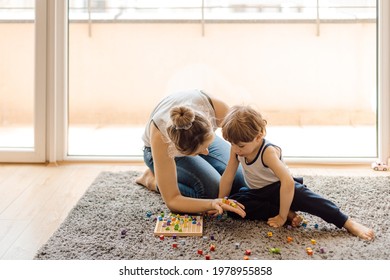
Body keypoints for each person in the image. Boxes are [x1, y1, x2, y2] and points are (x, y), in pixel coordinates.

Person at [219, 105, 375, 240]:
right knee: (235, 205)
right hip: (258, 192)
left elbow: (287, 182)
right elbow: (228, 175)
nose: (236, 149)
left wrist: (280, 218)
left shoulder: (267, 152)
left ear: (258, 137)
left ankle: (347, 222)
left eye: (240, 145)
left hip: (282, 188)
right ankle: (287, 213)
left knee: (312, 200)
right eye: (232, 144)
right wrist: (221, 201)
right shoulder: (236, 150)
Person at [135, 89, 247, 218]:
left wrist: (234, 164)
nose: (206, 153)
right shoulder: (162, 138)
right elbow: (172, 201)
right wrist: (212, 203)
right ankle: (153, 180)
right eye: (199, 152)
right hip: (158, 152)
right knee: (212, 192)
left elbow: (245, 138)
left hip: (199, 138)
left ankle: (202, 148)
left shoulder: (215, 108)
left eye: (207, 146)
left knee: (239, 181)